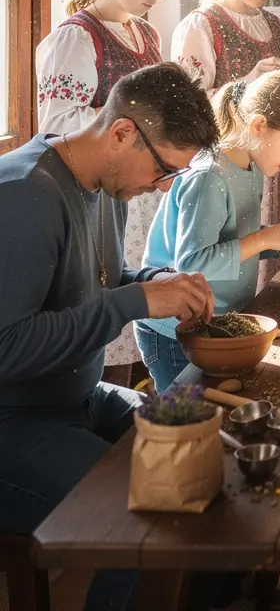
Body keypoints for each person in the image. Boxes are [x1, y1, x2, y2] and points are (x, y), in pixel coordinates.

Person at [0, 63, 219, 611]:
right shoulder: (24, 196)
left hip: (75, 398)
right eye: (165, 169)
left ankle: (208, 596)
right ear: (122, 132)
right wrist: (137, 300)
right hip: (12, 422)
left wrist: (153, 282)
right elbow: (6, 346)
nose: (161, 187)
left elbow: (89, 285)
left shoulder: (102, 184)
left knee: (202, 451)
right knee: (143, 514)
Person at [35, 0, 175, 379]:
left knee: (145, 322)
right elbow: (57, 126)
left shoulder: (145, 35)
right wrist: (134, 128)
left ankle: (141, 416)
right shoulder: (78, 37)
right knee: (111, 319)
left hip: (143, 191)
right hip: (101, 194)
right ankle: (105, 426)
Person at [135, 70, 280, 391]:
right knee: (185, 420)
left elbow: (232, 238)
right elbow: (194, 265)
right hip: (173, 330)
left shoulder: (250, 167)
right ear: (258, 126)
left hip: (215, 324)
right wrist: (264, 238)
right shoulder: (209, 175)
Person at [173, 0, 280, 288]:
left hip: (278, 160)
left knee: (273, 267)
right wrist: (247, 84)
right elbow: (187, 111)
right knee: (233, 259)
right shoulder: (201, 25)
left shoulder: (275, 25)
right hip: (228, 167)